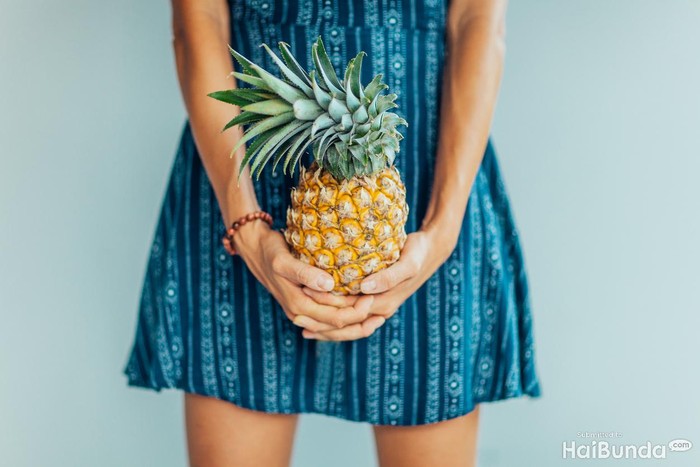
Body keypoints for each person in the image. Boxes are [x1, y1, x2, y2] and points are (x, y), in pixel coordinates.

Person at [123, 0, 542, 465]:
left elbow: (477, 17)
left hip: (427, 175)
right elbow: (199, 17)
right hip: (244, 160)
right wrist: (244, 222)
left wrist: (442, 231)